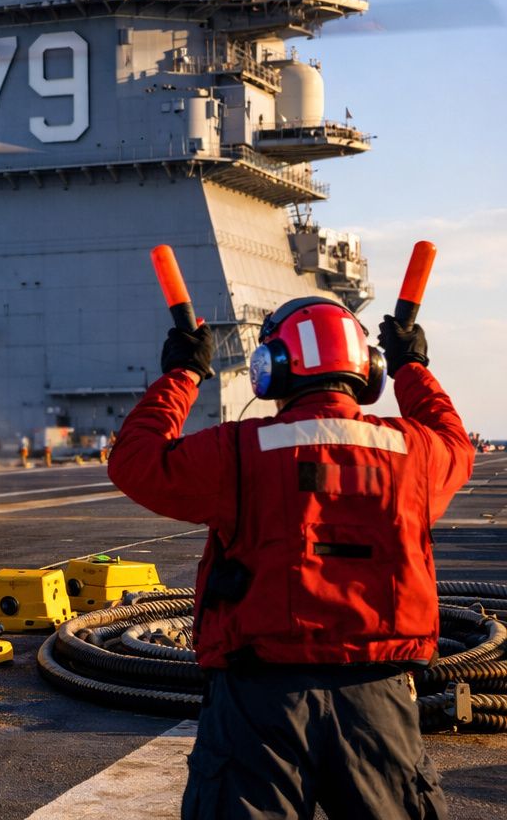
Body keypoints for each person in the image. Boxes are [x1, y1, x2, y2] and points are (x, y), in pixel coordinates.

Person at [108, 299, 473, 820]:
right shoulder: (415, 452)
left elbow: (135, 460)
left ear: (271, 367)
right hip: (379, 700)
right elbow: (454, 440)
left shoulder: (239, 450)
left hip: (259, 702)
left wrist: (185, 372)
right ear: (366, 369)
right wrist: (412, 367)